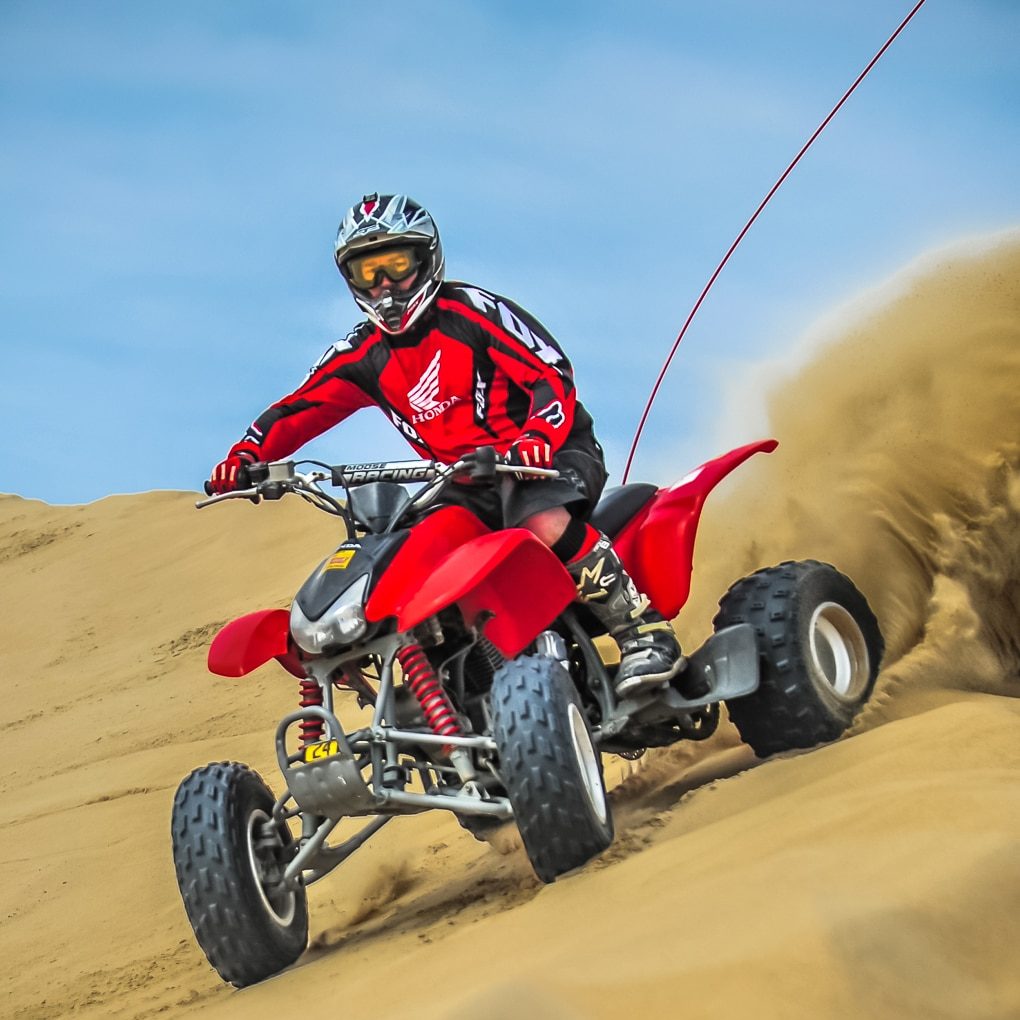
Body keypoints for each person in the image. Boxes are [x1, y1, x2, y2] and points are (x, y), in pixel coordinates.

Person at [209, 193, 685, 696]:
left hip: (550, 453)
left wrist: (536, 437)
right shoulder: (361, 353)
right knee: (407, 557)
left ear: (427, 259)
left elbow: (550, 372)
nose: (385, 285)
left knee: (540, 519)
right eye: (369, 272)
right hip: (461, 479)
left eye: (396, 265)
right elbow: (299, 407)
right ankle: (459, 686)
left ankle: (644, 632)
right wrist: (247, 456)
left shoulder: (471, 311)